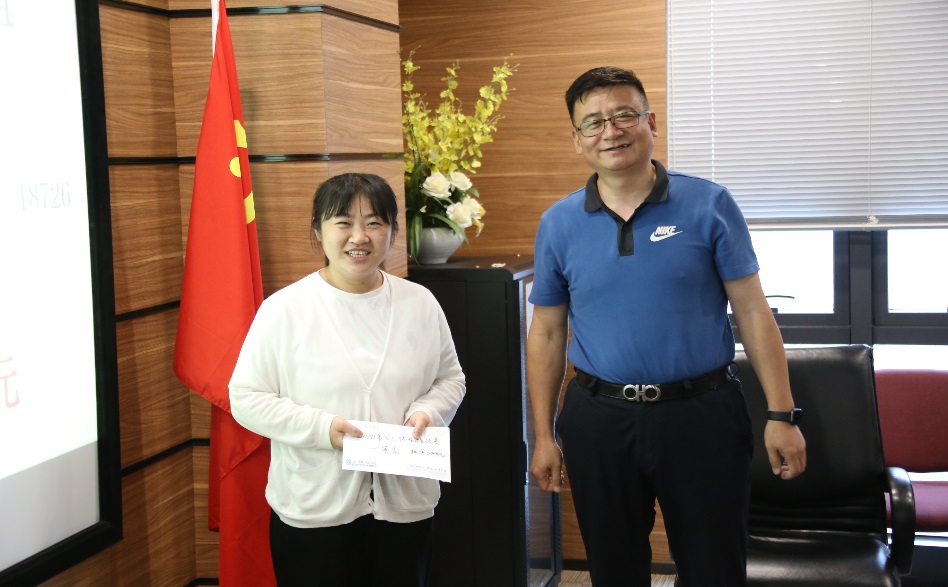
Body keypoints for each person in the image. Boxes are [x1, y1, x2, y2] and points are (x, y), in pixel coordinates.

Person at [526, 67, 807, 587]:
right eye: (593, 122)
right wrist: (543, 436)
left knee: (714, 569)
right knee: (613, 570)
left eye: (624, 115)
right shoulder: (559, 223)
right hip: (599, 419)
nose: (611, 131)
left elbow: (752, 311)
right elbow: (546, 331)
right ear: (577, 139)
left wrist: (781, 414)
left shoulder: (709, 204)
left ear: (650, 122)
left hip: (702, 415)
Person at [229, 172, 466, 587]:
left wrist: (428, 411)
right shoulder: (284, 310)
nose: (360, 236)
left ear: (392, 231)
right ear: (317, 231)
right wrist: (322, 429)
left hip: (404, 504)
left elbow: (451, 379)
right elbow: (246, 397)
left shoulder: (420, 303)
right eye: (343, 222)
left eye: (374, 222)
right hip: (315, 508)